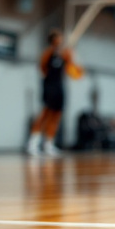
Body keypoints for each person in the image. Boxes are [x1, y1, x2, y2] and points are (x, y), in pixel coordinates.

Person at [26, 29, 79, 157]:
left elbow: (72, 70)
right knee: (45, 114)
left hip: (60, 87)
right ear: (53, 40)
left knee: (56, 116)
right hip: (49, 86)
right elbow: (42, 69)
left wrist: (69, 57)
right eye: (58, 38)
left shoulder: (66, 54)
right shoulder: (47, 53)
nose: (60, 41)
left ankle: (48, 144)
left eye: (61, 38)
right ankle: (33, 144)